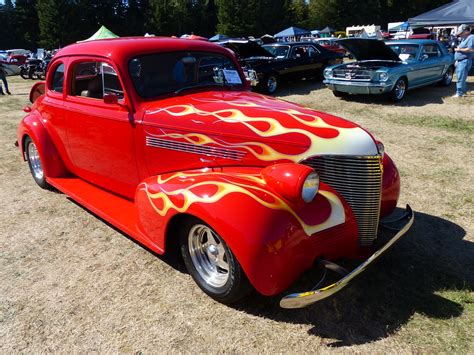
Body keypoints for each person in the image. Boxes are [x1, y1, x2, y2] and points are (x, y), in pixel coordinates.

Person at [453, 24, 474, 98]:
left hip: (465, 61)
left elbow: (471, 49)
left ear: (466, 31)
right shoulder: (464, 38)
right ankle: (462, 91)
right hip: (461, 61)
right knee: (460, 77)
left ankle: (459, 93)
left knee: (460, 78)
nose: (460, 34)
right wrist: (457, 60)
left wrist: (459, 49)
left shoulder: (471, 37)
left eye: (461, 32)